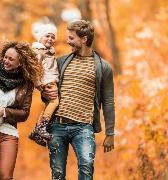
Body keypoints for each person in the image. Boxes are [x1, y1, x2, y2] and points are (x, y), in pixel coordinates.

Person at [42, 20, 115, 180]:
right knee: (58, 174)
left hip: (84, 127)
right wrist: (46, 94)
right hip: (57, 126)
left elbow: (108, 101)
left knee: (87, 166)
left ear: (84, 39)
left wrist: (110, 133)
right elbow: (47, 88)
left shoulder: (103, 67)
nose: (67, 41)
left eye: (71, 38)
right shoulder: (60, 62)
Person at [0, 41, 43, 180]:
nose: (6, 61)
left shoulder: (26, 84)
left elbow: (24, 114)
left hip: (9, 133)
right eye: (5, 57)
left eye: (11, 59)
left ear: (20, 63)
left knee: (5, 177)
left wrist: (4, 111)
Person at [28, 23, 59, 147]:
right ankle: (41, 127)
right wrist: (39, 85)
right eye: (47, 36)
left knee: (48, 106)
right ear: (40, 38)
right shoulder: (39, 51)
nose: (50, 39)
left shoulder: (48, 51)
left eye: (53, 37)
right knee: (54, 103)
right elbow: (35, 69)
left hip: (50, 80)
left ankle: (36, 131)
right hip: (48, 81)